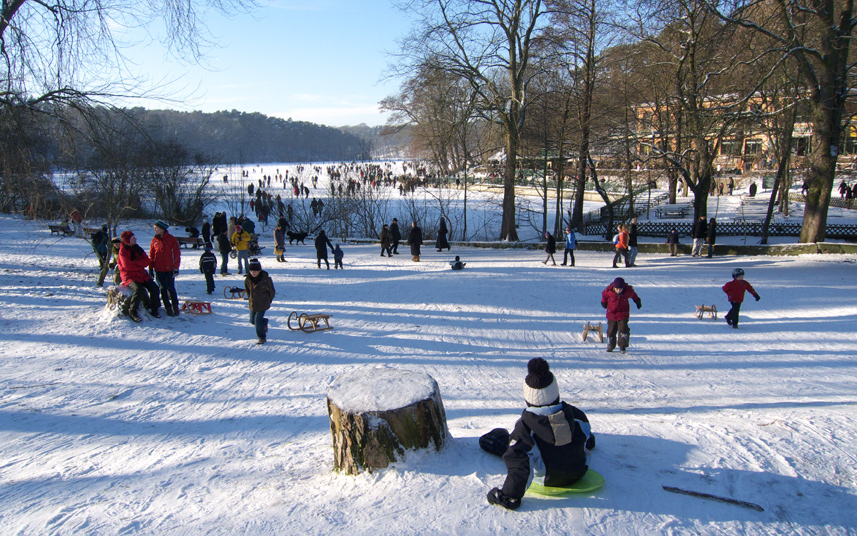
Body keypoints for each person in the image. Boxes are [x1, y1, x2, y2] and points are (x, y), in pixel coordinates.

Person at [483, 358, 594, 511]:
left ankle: (493, 441)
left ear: (528, 399)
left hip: (548, 479)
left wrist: (508, 496)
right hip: (580, 470)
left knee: (511, 446)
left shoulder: (525, 429)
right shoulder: (577, 416)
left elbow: (519, 467)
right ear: (556, 393)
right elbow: (587, 437)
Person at [117, 231, 160, 322]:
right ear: (128, 240)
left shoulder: (137, 248)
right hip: (129, 276)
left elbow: (147, 261)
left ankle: (154, 308)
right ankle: (133, 311)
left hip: (141, 274)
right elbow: (127, 266)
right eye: (133, 238)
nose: (135, 239)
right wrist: (139, 264)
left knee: (154, 288)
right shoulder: (122, 251)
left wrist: (135, 263)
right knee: (139, 289)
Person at [601, 277, 641, 353]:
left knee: (623, 329)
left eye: (620, 289)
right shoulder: (609, 291)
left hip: (623, 313)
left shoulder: (628, 291)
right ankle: (610, 345)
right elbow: (604, 295)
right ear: (614, 287)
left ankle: (623, 346)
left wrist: (637, 300)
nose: (618, 291)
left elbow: (634, 295)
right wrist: (603, 302)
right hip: (611, 313)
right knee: (611, 329)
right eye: (617, 289)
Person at [150, 220, 181, 317]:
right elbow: (151, 255)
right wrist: (151, 268)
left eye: (157, 228)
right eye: (154, 228)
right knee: (162, 288)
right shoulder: (154, 241)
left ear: (162, 229)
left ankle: (175, 306)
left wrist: (176, 267)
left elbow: (176, 254)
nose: (155, 230)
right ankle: (168, 307)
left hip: (170, 268)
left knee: (171, 287)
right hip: (159, 269)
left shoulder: (171, 239)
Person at [245, 258, 275, 344]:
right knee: (252, 321)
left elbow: (271, 291)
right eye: (251, 271)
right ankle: (264, 322)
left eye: (255, 271)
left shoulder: (266, 279)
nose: (253, 273)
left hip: (263, 303)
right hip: (253, 304)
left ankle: (261, 337)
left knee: (257, 320)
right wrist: (250, 298)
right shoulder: (248, 279)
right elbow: (247, 290)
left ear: (259, 270)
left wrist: (268, 300)